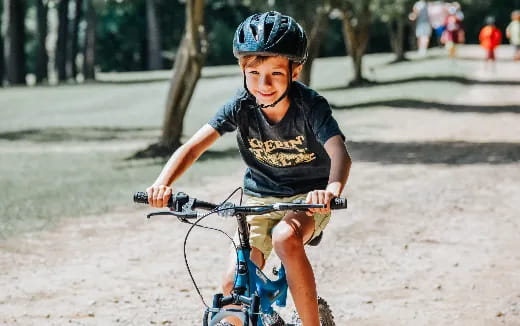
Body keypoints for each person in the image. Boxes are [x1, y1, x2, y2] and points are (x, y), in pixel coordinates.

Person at [146, 11, 352, 326]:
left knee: (285, 237)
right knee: (231, 285)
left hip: (308, 199)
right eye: (254, 73)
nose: (263, 84)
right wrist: (162, 183)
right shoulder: (241, 105)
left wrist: (331, 190)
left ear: (294, 71)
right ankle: (268, 320)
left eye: (275, 74)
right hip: (256, 199)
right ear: (243, 70)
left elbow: (338, 151)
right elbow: (193, 146)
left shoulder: (310, 106)